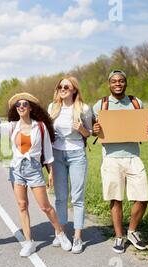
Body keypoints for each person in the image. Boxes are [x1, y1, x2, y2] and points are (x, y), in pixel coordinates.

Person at [0, 92, 72, 257]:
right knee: (22, 206)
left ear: (30, 108)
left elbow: (47, 152)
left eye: (24, 104)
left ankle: (60, 234)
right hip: (17, 170)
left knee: (45, 206)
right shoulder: (12, 126)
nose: (21, 107)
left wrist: (51, 172)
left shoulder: (40, 127)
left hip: (34, 170)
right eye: (18, 105)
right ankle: (28, 242)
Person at [92, 69, 148, 254]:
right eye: (114, 81)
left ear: (125, 83)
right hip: (111, 158)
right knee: (116, 198)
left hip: (133, 157)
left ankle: (132, 231)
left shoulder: (136, 103)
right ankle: (119, 237)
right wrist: (95, 129)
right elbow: (94, 129)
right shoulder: (101, 105)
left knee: (143, 197)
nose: (118, 84)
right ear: (109, 84)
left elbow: (145, 128)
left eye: (121, 81)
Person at [48, 76, 93, 254]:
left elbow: (89, 133)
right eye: (60, 86)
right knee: (60, 196)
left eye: (66, 86)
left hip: (76, 155)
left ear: (74, 89)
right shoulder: (52, 107)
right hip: (57, 154)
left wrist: (81, 128)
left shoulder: (84, 108)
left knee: (77, 198)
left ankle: (78, 237)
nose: (62, 88)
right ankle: (60, 233)